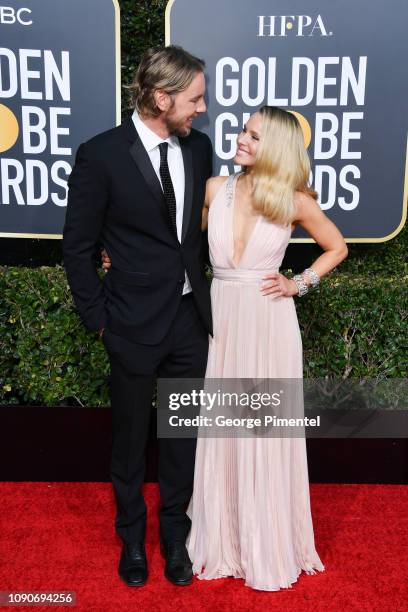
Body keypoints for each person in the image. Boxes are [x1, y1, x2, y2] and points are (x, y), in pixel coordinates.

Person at [63, 46, 213, 588]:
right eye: (194, 98)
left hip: (189, 320)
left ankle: (175, 534)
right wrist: (100, 319)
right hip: (128, 323)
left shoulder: (200, 151)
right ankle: (132, 537)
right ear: (160, 96)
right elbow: (77, 248)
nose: (201, 108)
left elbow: (193, 236)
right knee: (129, 439)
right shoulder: (101, 155)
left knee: (181, 436)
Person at [185, 106, 348, 591]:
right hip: (222, 319)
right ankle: (225, 536)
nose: (241, 139)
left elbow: (336, 247)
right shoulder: (216, 188)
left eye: (254, 136)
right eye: (243, 130)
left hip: (269, 323)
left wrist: (300, 283)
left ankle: (267, 541)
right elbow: (176, 243)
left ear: (274, 147)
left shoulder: (294, 201)